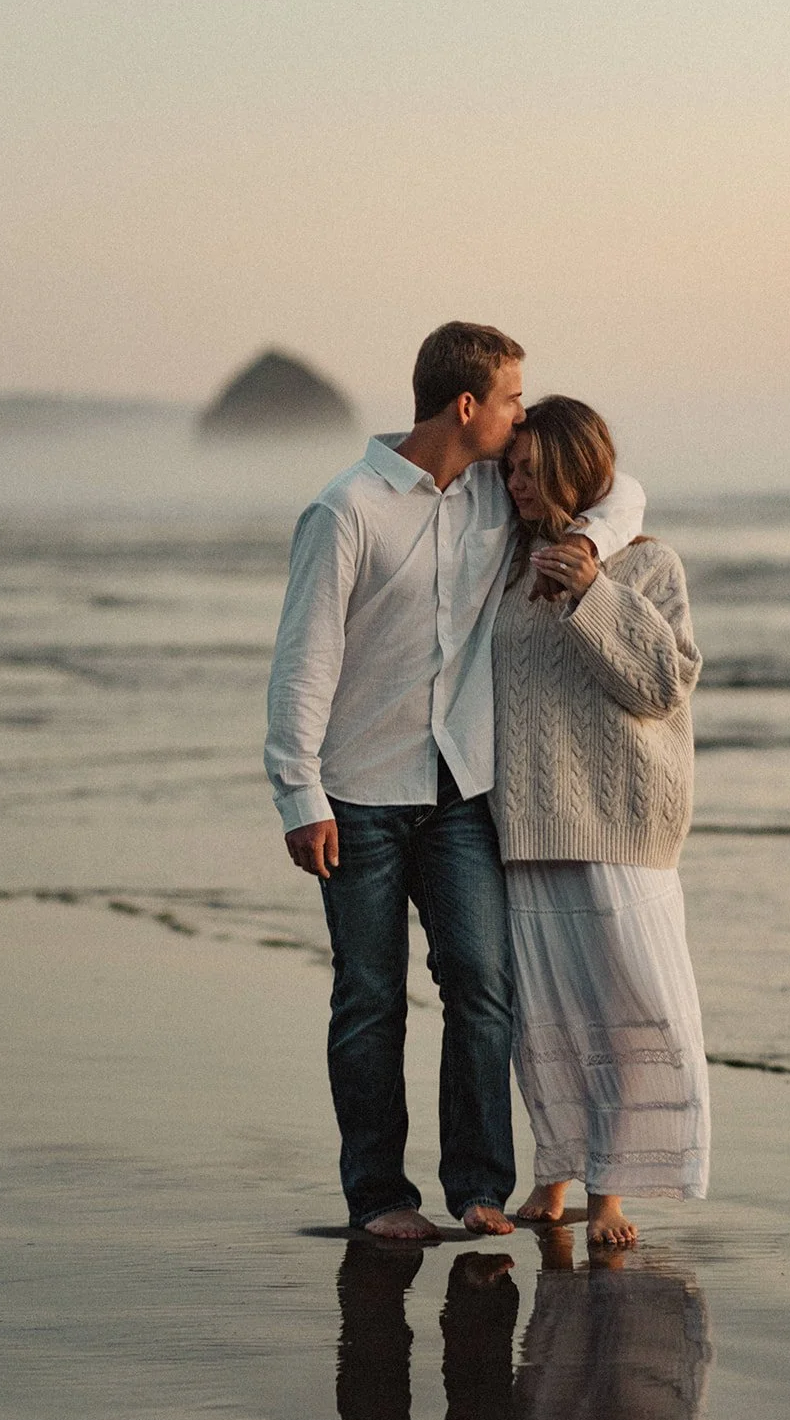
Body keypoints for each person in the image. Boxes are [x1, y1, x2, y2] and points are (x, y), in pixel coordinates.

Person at [264, 325, 645, 1240]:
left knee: (482, 983)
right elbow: (303, 663)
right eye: (512, 397)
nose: (521, 411)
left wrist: (588, 545)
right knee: (370, 997)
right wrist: (298, 794)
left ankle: (477, 1187)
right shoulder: (345, 509)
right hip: (357, 791)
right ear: (466, 406)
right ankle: (380, 1199)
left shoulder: (492, 492)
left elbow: (621, 491)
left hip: (463, 788)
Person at [489, 395, 710, 1245]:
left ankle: (608, 1193)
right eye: (509, 467)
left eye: (530, 468)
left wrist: (591, 594)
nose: (514, 482)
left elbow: (662, 685)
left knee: (626, 1012)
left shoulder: (649, 566)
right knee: (544, 1013)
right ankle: (553, 1173)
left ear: (577, 469)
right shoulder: (504, 564)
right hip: (528, 821)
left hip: (622, 824)